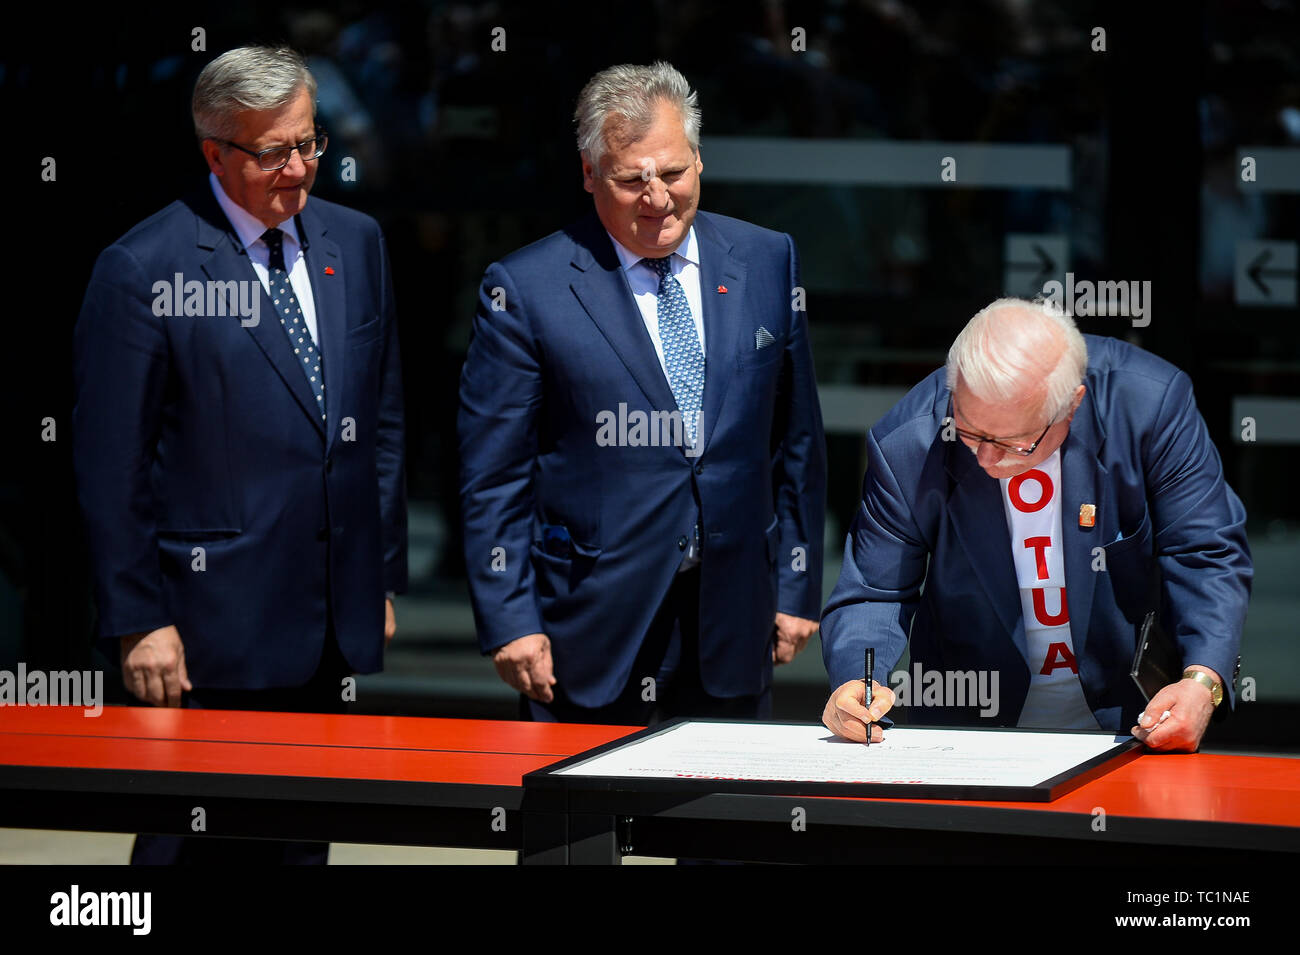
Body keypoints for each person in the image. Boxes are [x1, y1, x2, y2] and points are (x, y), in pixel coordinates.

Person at [72, 45, 407, 863]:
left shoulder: (355, 241)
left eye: (308, 143)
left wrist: (377, 571)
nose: (298, 168)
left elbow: (381, 421)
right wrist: (140, 616)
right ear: (214, 152)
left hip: (327, 617)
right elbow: (110, 464)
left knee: (297, 843)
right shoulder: (143, 267)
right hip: (208, 627)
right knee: (192, 846)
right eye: (272, 152)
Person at [458, 62, 826, 724]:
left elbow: (796, 441)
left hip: (733, 620)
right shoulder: (526, 288)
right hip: (590, 630)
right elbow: (493, 475)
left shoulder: (768, 259)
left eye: (674, 173)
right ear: (590, 175)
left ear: (699, 161)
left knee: (720, 825)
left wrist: (798, 584)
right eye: (632, 180)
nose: (657, 197)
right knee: (584, 826)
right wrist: (509, 617)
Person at [820, 298, 1251, 752]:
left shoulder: (1148, 404)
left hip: (1133, 719)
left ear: (1072, 404)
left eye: (1012, 442)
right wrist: (857, 684)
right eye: (969, 431)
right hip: (974, 725)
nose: (985, 458)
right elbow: (875, 589)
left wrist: (1203, 679)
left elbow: (1204, 550)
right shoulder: (908, 441)